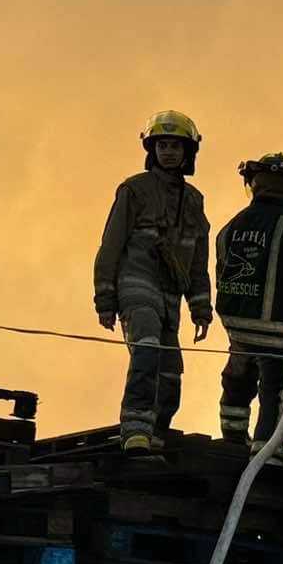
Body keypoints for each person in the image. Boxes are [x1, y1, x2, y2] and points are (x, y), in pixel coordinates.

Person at [93, 110, 215, 454]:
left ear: (188, 152)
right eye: (162, 145)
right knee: (146, 349)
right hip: (136, 284)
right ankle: (134, 432)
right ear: (151, 148)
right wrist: (105, 298)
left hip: (171, 298)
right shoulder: (134, 190)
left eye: (176, 146)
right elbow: (111, 244)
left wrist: (201, 308)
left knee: (172, 372)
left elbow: (198, 259)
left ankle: (156, 435)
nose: (169, 152)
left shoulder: (194, 201)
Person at [214, 153, 283, 450]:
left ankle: (232, 438)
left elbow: (221, 271)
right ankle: (268, 450)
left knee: (237, 380)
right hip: (279, 328)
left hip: (237, 328)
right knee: (277, 390)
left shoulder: (232, 225)